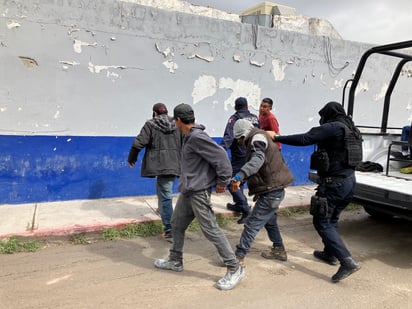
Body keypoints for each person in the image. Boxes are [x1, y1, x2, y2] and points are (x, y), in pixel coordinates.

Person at [154, 103, 244, 291]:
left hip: (199, 192)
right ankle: (175, 260)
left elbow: (221, 156)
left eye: (175, 121)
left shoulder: (196, 137)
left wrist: (222, 181)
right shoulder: (189, 137)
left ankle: (234, 267)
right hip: (188, 190)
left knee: (210, 229)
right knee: (176, 224)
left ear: (178, 120)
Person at [269, 101, 361, 283]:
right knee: (332, 218)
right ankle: (330, 254)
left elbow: (305, 139)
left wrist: (277, 137)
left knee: (322, 222)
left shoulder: (334, 127)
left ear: (328, 114)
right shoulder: (351, 130)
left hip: (333, 184)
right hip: (349, 182)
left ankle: (347, 261)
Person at [229, 119, 294, 266]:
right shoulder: (259, 136)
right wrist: (243, 180)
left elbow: (257, 160)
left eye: (239, 140)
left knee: (251, 223)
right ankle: (279, 249)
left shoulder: (256, 139)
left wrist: (240, 176)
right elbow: (259, 167)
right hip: (274, 189)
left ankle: (238, 257)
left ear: (242, 136)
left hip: (272, 190)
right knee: (270, 221)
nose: (239, 143)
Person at [127, 103, 181, 242]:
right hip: (174, 164)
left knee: (166, 195)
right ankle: (162, 210)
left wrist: (132, 158)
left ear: (154, 113)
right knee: (163, 189)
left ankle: (170, 230)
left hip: (159, 163)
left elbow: (137, 143)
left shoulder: (150, 124)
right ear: (167, 112)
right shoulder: (177, 124)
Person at [221, 97, 259, 224]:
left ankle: (245, 208)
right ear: (247, 106)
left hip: (239, 154)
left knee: (232, 180)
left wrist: (221, 150)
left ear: (235, 107)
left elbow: (229, 136)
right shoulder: (254, 117)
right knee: (240, 181)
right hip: (252, 152)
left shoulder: (235, 118)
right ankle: (238, 204)